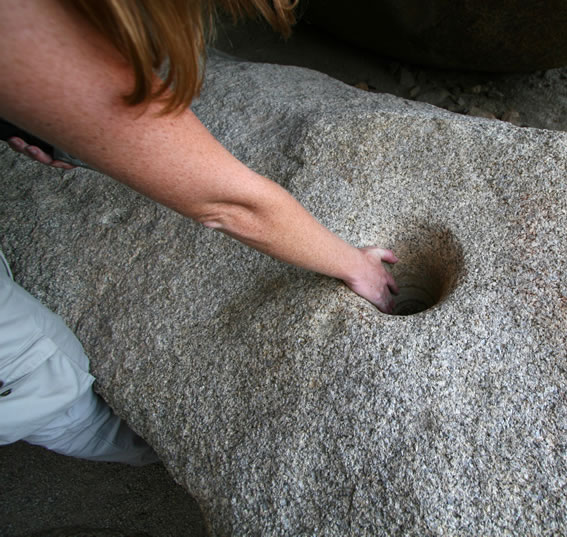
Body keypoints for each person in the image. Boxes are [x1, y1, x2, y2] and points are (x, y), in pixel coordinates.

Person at [0, 0, 399, 464]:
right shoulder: (31, 21)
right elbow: (231, 204)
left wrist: (26, 114)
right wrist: (355, 265)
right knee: (45, 375)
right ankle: (151, 447)